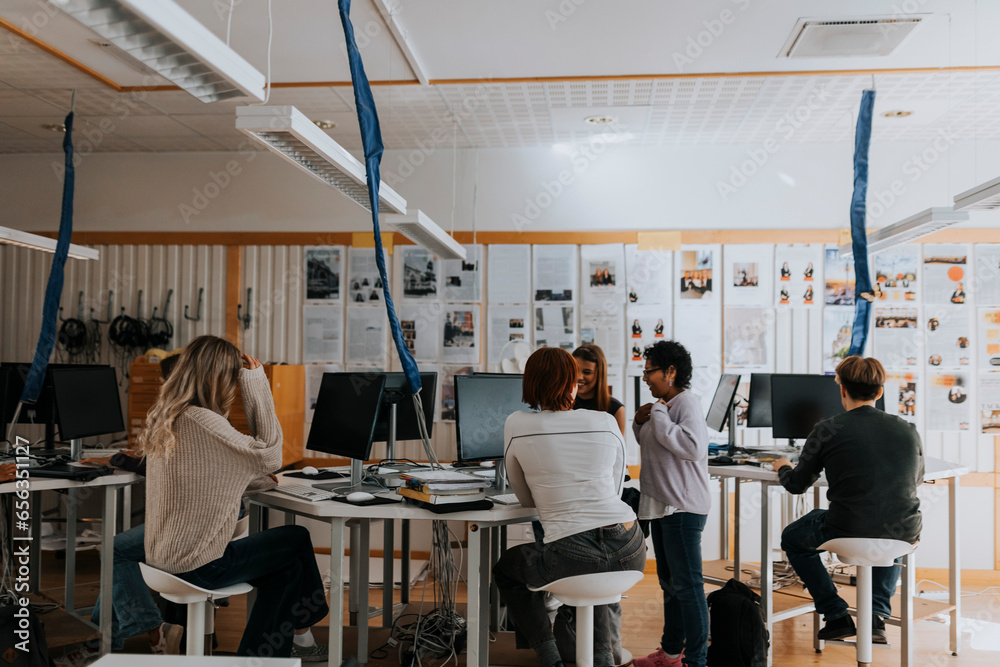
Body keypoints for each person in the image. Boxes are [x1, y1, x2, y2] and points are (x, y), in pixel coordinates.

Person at [139, 336, 329, 660]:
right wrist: (256, 381)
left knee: (287, 572)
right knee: (296, 539)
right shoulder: (208, 423)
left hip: (162, 559)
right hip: (197, 565)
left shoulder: (170, 415)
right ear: (224, 380)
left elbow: (204, 476)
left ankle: (267, 654)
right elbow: (271, 454)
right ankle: (304, 626)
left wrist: (251, 481)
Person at [493, 347, 645, 667]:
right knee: (595, 560)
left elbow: (524, 499)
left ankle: (551, 659)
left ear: (530, 385)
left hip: (573, 552)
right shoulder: (605, 420)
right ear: (574, 384)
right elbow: (616, 489)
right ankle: (602, 660)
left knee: (507, 568)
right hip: (631, 546)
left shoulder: (516, 424)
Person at [773, 356, 923, 644]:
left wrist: (782, 466)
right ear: (880, 392)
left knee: (793, 538)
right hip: (905, 532)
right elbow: (915, 480)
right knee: (891, 523)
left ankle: (836, 615)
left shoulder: (827, 429)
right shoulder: (908, 429)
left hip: (846, 528)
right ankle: (876, 618)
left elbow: (796, 485)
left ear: (841, 390)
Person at [632, 341, 711, 667]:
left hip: (681, 508)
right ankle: (670, 654)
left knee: (689, 588)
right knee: (671, 586)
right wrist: (640, 422)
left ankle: (695, 660)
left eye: (649, 371)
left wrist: (659, 411)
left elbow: (692, 447)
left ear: (671, 371)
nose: (646, 378)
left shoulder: (685, 403)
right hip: (662, 506)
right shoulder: (666, 405)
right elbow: (654, 443)